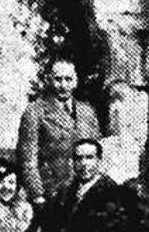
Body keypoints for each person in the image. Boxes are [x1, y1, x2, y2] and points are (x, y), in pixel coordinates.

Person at [40, 138, 134, 232]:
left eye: (89, 158)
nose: (84, 164)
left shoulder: (115, 194)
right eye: (79, 158)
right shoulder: (63, 194)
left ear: (99, 161)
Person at [16, 58, 102, 207]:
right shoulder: (35, 112)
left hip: (84, 192)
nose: (63, 85)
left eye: (68, 79)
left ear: (76, 81)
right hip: (51, 194)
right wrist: (37, 195)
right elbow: (28, 159)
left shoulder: (88, 112)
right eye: (58, 79)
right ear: (49, 80)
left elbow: (98, 152)